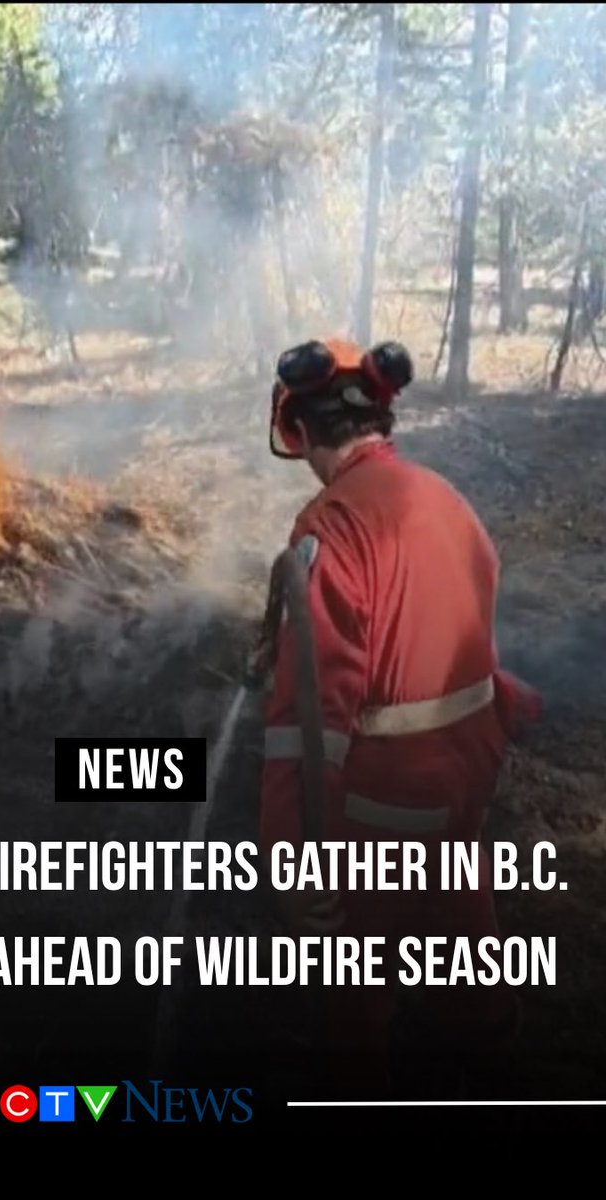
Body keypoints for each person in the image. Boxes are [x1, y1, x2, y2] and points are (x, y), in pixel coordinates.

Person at [257, 337, 540, 1098]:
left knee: (357, 963)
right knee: (459, 902)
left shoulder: (331, 527)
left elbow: (308, 722)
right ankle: (490, 1048)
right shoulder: (447, 500)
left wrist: (293, 862)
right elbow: (458, 633)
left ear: (299, 433)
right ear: (382, 418)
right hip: (469, 776)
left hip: (388, 808)